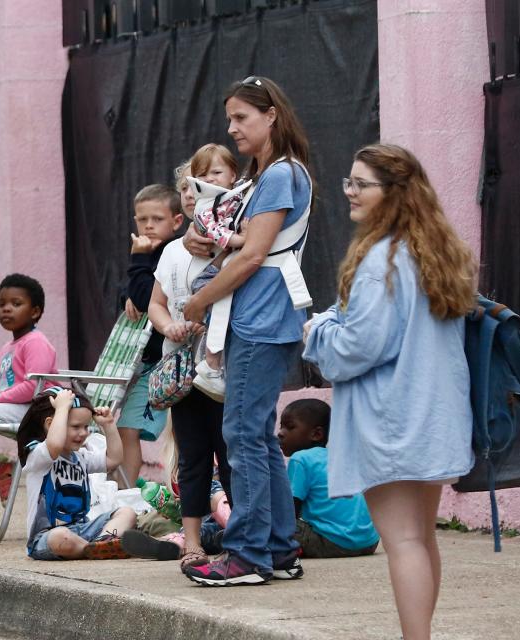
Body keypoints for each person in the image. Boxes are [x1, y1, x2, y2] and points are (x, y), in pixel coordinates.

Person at [302, 143, 476, 640]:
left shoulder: (383, 259)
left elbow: (358, 346)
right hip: (431, 416)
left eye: (362, 184)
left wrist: (318, 333)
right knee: (420, 538)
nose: (350, 192)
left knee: (402, 541)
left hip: (390, 420)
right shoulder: (437, 251)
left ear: (394, 192)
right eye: (348, 182)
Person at [181, 76, 312, 585]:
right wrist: (208, 239)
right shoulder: (272, 174)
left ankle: (248, 554)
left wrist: (198, 301)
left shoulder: (279, 174)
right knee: (255, 434)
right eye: (230, 118)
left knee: (242, 434)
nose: (232, 128)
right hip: (263, 316)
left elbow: (255, 254)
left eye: (241, 117)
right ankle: (277, 547)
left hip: (261, 316)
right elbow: (251, 241)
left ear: (271, 115)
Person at [147, 154, 233, 570]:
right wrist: (169, 328)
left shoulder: (240, 237)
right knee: (193, 456)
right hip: (183, 374)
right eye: (189, 184)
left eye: (212, 176)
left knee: (231, 454)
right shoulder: (171, 253)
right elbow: (156, 304)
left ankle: (241, 538)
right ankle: (193, 541)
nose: (195, 190)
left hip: (226, 370)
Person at [0, 273, 57, 505]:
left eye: (16, 304)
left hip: (40, 409)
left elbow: (34, 387)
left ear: (35, 312)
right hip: (22, 407)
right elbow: (17, 386)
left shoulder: (35, 342)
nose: (6, 309)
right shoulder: (9, 345)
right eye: (2, 304)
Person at [17, 387, 137, 560]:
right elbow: (55, 445)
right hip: (46, 538)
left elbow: (113, 459)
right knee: (61, 537)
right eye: (75, 427)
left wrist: (109, 425)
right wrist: (61, 408)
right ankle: (94, 549)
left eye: (86, 426)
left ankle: (104, 543)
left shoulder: (81, 458)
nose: (83, 433)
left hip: (83, 529)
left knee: (127, 512)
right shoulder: (39, 456)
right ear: (51, 424)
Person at [117, 184, 183, 486]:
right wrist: (127, 296)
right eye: (142, 219)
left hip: (173, 363)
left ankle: (184, 496)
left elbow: (146, 297)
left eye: (157, 218)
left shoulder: (174, 253)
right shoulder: (146, 255)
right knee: (127, 428)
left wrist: (137, 265)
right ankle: (125, 495)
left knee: (182, 437)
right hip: (150, 366)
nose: (149, 225)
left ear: (177, 221)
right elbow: (134, 292)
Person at [278, 399, 379, 558]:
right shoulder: (340, 456)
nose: (280, 433)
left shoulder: (300, 459)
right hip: (369, 542)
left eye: (290, 427)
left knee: (271, 522)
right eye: (281, 427)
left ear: (316, 434)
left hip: (334, 543)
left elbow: (290, 511)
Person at [186, 143, 242, 401]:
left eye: (216, 172)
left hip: (221, 268)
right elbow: (217, 233)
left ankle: (213, 363)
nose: (209, 179)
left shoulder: (235, 197)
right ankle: (210, 364)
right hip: (206, 275)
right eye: (201, 174)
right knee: (218, 313)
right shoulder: (206, 205)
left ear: (233, 175)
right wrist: (241, 241)